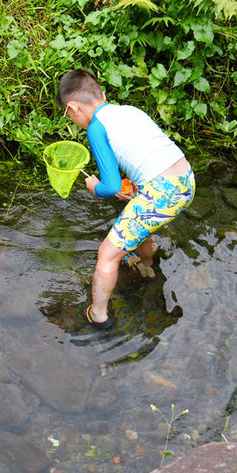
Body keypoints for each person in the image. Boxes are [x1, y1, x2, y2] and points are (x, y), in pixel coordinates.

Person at [56, 69, 195, 329]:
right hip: (185, 180)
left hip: (162, 192)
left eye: (68, 114)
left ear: (73, 107)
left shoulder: (96, 129)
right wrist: (134, 189)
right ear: (103, 96)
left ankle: (98, 315)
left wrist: (94, 187)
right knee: (139, 217)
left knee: (107, 255)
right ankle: (146, 264)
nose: (72, 119)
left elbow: (110, 186)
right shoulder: (130, 111)